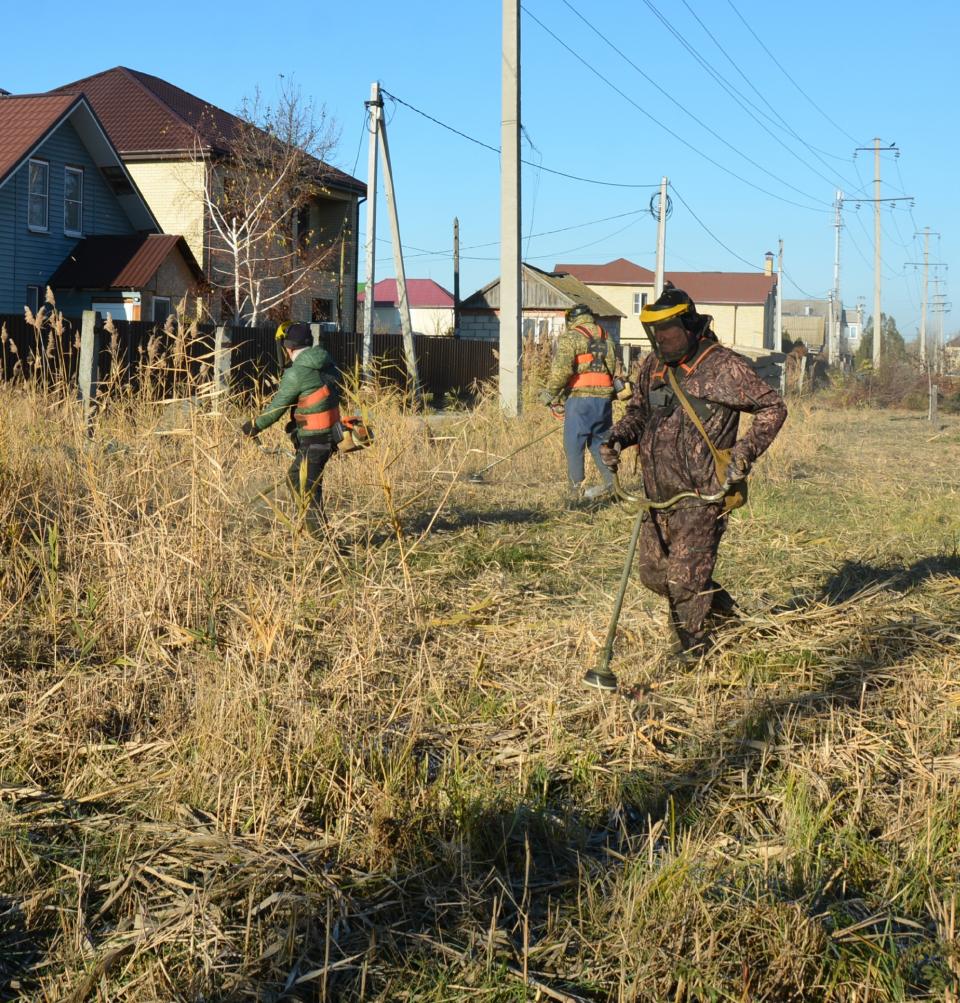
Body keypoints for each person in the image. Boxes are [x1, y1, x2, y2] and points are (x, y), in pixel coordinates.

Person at [596, 286, 787, 683]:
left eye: (668, 333)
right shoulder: (653, 366)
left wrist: (745, 452)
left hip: (702, 496)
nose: (661, 341)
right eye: (655, 334)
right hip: (656, 498)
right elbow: (638, 413)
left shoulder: (723, 367)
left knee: (683, 580)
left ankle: (693, 654)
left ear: (689, 326)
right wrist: (617, 438)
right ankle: (723, 612)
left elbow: (773, 406)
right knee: (654, 575)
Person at [240, 322, 341, 535]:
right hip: (329, 436)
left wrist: (253, 426)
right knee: (296, 478)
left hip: (314, 439)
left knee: (307, 486)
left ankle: (322, 541)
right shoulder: (326, 362)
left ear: (288, 348)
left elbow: (277, 408)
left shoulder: (297, 372)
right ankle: (310, 529)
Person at [540, 303, 617, 506]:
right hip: (604, 400)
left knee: (574, 444)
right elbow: (611, 367)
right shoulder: (606, 336)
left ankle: (575, 493)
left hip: (581, 399)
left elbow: (561, 371)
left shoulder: (571, 337)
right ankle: (614, 486)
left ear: (570, 319)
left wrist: (550, 395)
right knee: (600, 444)